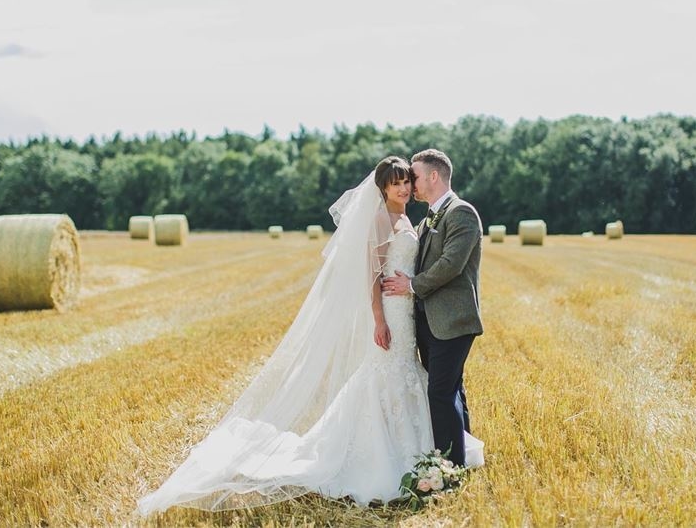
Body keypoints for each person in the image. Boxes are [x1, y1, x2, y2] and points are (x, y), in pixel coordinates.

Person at [137, 156, 481, 516]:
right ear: (382, 188)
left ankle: (434, 455)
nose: (406, 187)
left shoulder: (416, 218)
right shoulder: (380, 219)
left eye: (408, 181)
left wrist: (410, 291)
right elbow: (371, 275)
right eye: (398, 183)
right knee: (393, 378)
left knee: (422, 383)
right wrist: (379, 319)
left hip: (410, 312)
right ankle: (396, 459)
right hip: (393, 313)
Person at [381, 149, 484, 468]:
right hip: (427, 321)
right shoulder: (428, 218)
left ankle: (448, 468)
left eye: (414, 176)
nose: (410, 183)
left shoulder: (461, 212)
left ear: (434, 176)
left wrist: (410, 286)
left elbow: (451, 264)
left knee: (439, 393)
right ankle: (462, 455)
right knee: (451, 390)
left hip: (452, 321)